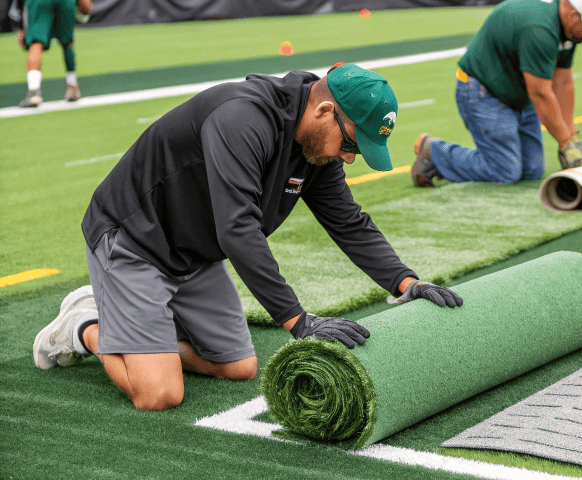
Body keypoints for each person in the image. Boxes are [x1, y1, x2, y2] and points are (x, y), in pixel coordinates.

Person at [32, 63, 463, 411]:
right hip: (134, 241)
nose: (348, 157)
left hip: (192, 253)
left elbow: (348, 221)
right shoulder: (243, 117)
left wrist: (407, 282)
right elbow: (237, 228)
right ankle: (85, 324)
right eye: (350, 143)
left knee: (238, 366)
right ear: (324, 111)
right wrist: (298, 320)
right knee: (160, 395)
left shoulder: (318, 150)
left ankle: (140, 330)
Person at [411, 0, 582, 188]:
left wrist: (571, 138)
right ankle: (434, 152)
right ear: (573, 14)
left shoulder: (569, 32)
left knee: (532, 170)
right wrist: (565, 143)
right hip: (482, 91)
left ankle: (457, 158)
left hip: (517, 94)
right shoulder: (539, 28)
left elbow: (563, 82)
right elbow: (540, 93)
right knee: (505, 170)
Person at [2, 0, 92, 107]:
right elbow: (86, 5)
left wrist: (18, 27)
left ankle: (34, 91)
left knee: (36, 41)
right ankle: (72, 86)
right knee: (67, 42)